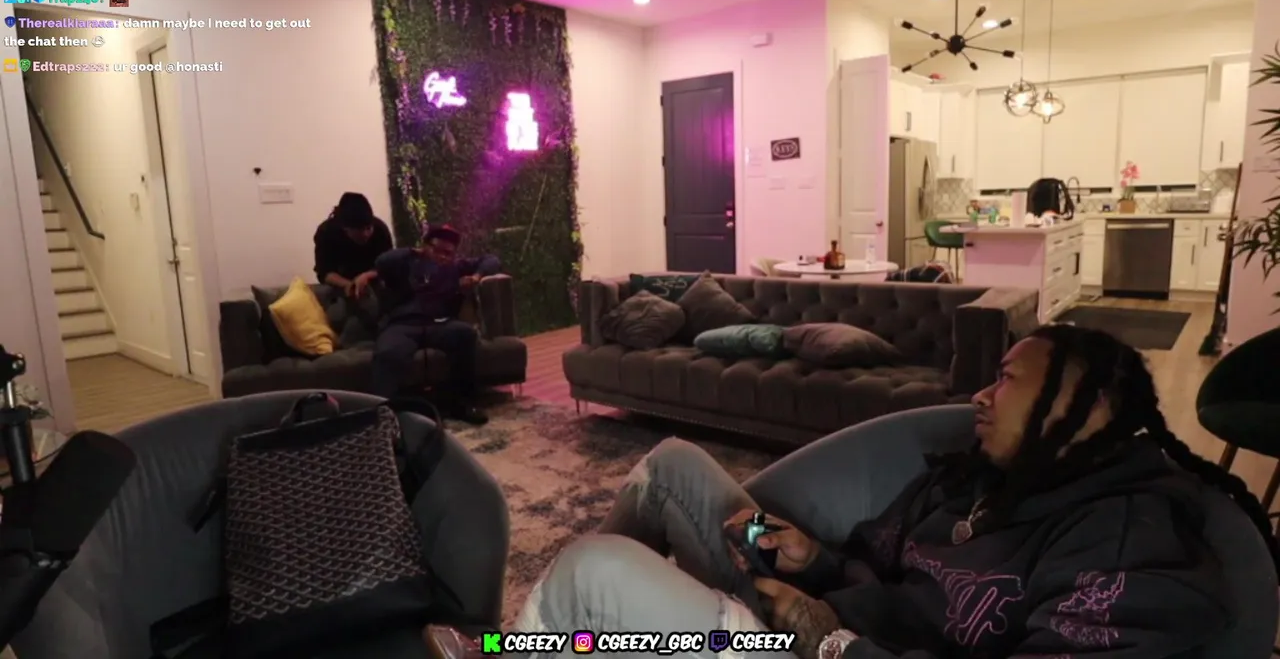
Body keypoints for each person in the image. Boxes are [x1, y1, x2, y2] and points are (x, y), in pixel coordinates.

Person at [426, 324, 1280, 659]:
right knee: (672, 464)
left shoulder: (1131, 544)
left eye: (1008, 379)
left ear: (1082, 408)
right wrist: (814, 563)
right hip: (808, 623)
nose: (981, 396)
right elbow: (889, 575)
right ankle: (594, 644)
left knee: (595, 567)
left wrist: (830, 642)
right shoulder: (976, 478)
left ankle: (532, 646)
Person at [370, 223, 498, 425]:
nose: (443, 257)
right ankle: (384, 416)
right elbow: (381, 262)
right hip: (403, 325)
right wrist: (413, 252)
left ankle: (462, 403)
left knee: (465, 334)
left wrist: (476, 276)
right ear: (425, 247)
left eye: (448, 253)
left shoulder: (455, 267)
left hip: (439, 324)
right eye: (437, 250)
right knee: (388, 353)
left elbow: (491, 260)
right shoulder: (406, 262)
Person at [313, 192, 394, 299]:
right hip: (340, 285)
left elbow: (389, 265)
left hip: (375, 282)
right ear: (345, 229)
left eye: (368, 228)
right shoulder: (326, 232)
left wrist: (367, 276)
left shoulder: (380, 229)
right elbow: (324, 272)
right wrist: (350, 285)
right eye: (359, 230)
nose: (365, 234)